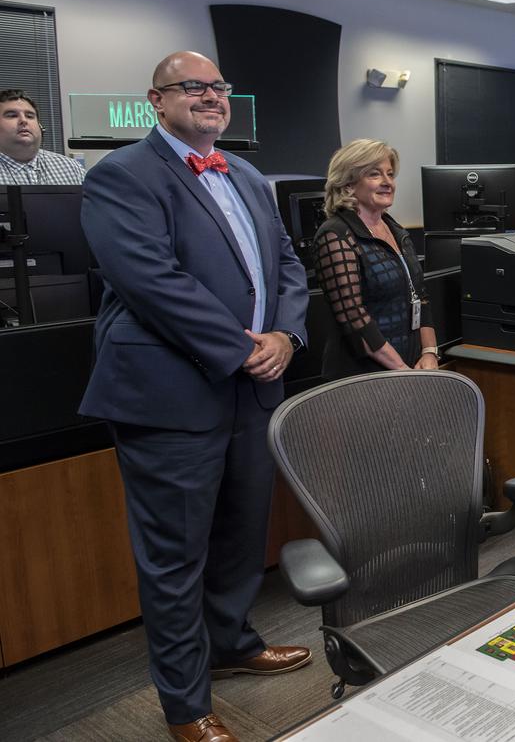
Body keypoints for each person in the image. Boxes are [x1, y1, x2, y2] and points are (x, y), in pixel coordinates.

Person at [79, 51, 311, 742]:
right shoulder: (120, 175)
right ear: (157, 99)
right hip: (171, 394)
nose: (211, 96)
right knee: (176, 554)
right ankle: (185, 703)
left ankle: (234, 643)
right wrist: (244, 345)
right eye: (193, 87)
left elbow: (289, 264)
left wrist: (286, 337)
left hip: (253, 389)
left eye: (219, 87)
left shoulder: (244, 172)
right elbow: (152, 280)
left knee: (241, 534)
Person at [313, 139, 439, 378]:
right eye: (374, 174)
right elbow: (354, 317)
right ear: (348, 184)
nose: (387, 182)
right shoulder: (336, 234)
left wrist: (430, 353)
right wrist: (402, 369)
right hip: (363, 375)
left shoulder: (395, 229)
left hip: (410, 366)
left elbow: (420, 296)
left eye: (390, 174)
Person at [0, 88, 85, 184]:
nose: (24, 120)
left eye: (30, 116)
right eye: (12, 115)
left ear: (40, 127)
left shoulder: (71, 168)